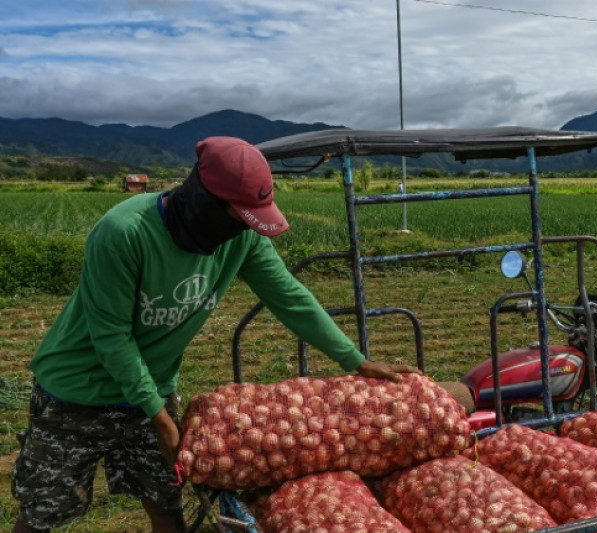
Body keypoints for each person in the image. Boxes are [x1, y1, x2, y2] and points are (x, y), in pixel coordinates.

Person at [10, 136, 421, 533]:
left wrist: (354, 359)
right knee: (44, 511)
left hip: (152, 388)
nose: (243, 227)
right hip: (74, 394)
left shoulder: (242, 239)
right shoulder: (124, 232)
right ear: (202, 200)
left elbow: (289, 296)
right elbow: (112, 335)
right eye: (237, 215)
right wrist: (159, 417)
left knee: (167, 508)